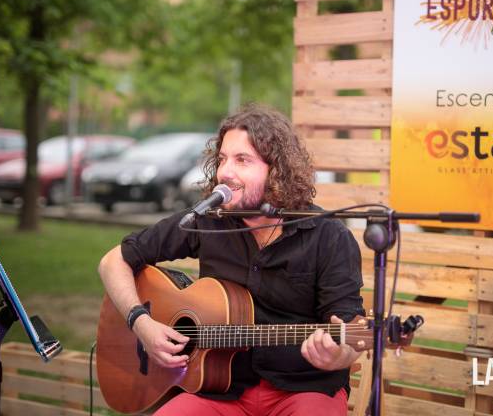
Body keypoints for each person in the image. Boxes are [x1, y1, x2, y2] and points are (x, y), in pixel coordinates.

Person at [98, 104, 366, 415]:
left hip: (303, 389)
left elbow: (349, 328)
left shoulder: (328, 236)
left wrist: (340, 354)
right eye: (223, 159)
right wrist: (141, 322)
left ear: (277, 170)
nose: (225, 172)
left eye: (242, 161)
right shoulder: (208, 220)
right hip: (218, 392)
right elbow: (113, 261)